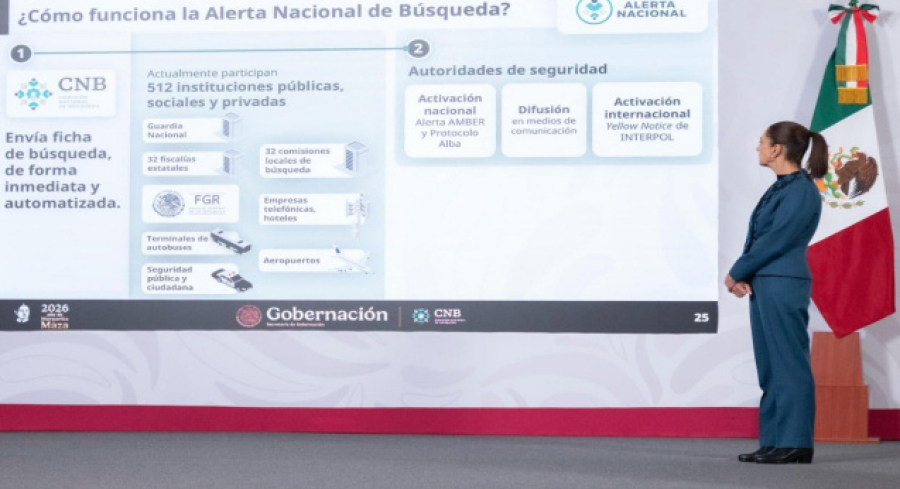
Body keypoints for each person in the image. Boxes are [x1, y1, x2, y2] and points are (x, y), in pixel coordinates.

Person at [725, 121, 828, 464]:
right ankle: (774, 440)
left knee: (789, 363)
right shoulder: (783, 187)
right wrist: (747, 274)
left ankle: (796, 442)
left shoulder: (800, 190)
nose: (757, 148)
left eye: (761, 142)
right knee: (770, 366)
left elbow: (777, 239)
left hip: (783, 282)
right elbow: (761, 236)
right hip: (767, 282)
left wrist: (737, 271)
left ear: (776, 149)